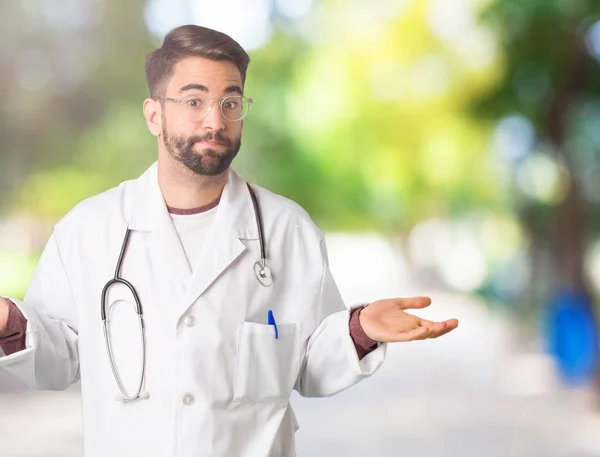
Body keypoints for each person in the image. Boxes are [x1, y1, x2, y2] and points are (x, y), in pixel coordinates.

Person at [0, 25, 458, 457]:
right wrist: (7, 322)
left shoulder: (285, 229)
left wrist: (358, 330)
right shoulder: (89, 229)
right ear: (154, 114)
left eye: (229, 103)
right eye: (194, 101)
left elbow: (309, 365)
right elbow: (57, 359)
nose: (214, 121)